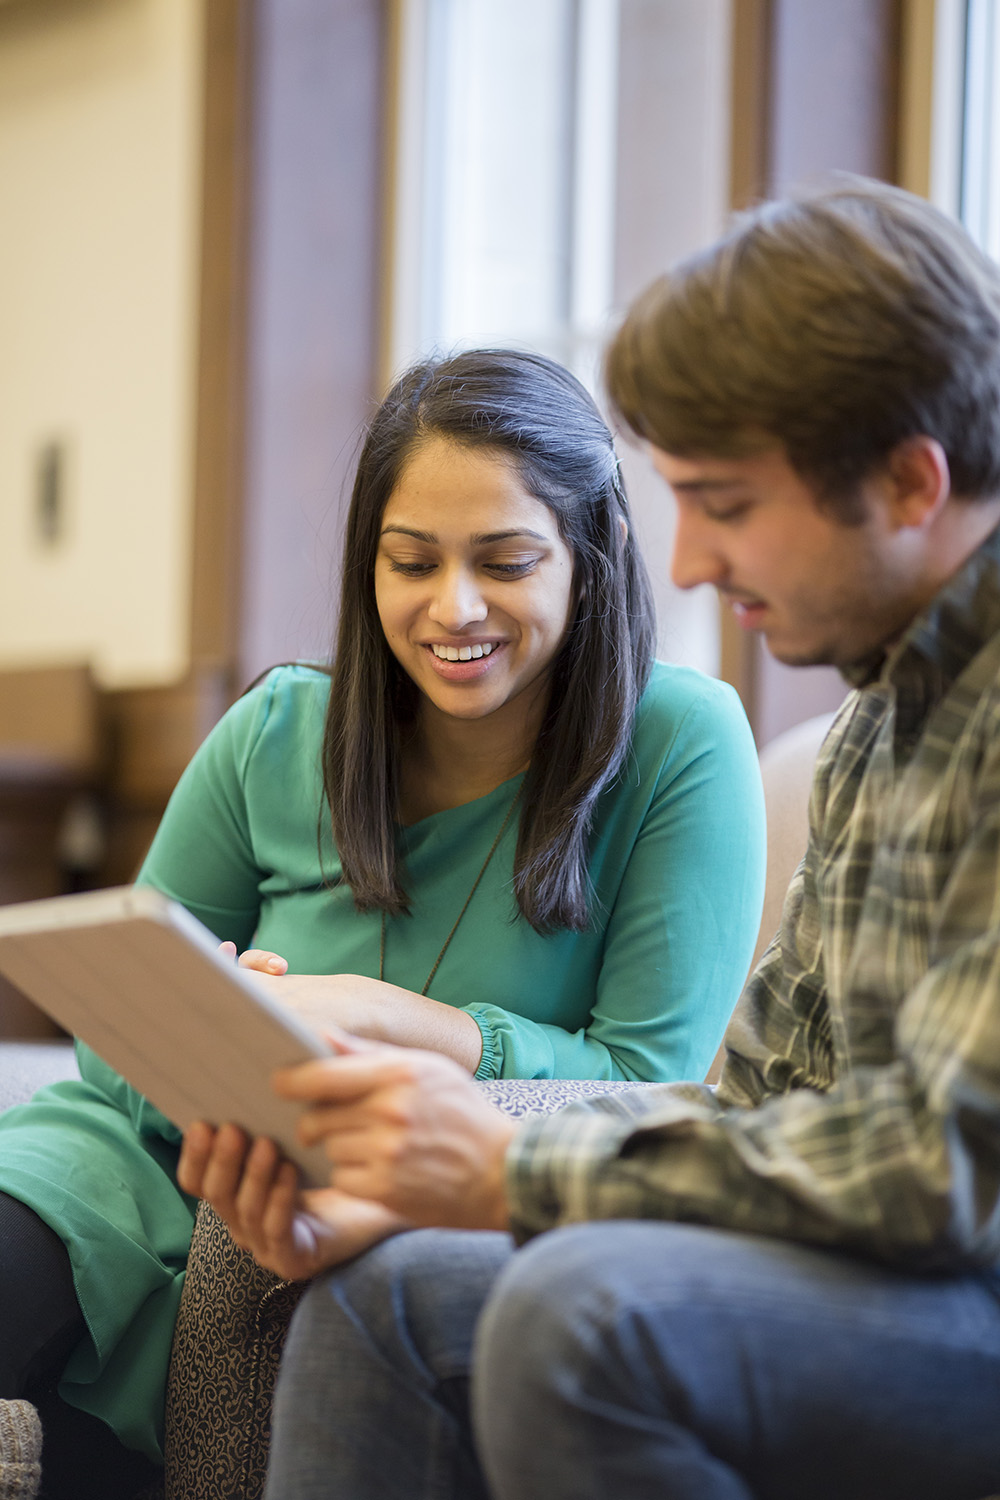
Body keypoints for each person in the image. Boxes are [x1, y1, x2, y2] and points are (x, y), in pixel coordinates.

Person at [185, 180, 1000, 1500]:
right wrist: (424, 1188)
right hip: (898, 1263)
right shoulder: (886, 716)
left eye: (725, 504)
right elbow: (757, 1101)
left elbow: (941, 1170)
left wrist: (512, 1161)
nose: (682, 563)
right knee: (389, 1288)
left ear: (912, 481)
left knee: (583, 1323)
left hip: (968, 1281)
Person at [0, 350, 765, 1499]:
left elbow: (643, 1080)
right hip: (130, 1160)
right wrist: (197, 1008)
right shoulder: (277, 730)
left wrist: (384, 1016)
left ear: (594, 553)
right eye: (411, 563)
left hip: (365, 1193)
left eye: (506, 561)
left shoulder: (679, 742)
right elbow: (113, 1023)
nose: (452, 608)